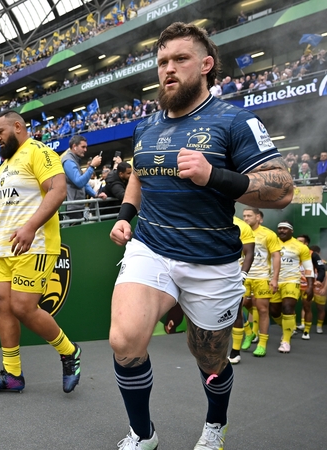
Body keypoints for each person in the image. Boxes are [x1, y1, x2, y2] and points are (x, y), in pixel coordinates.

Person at [108, 23, 293, 450]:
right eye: (162, 62)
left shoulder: (236, 121)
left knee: (209, 357)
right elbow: (139, 173)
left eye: (180, 59)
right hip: (151, 247)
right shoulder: (145, 126)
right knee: (124, 340)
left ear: (206, 65)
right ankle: (143, 434)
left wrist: (215, 176)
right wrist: (125, 215)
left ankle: (215, 424)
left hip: (211, 259)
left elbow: (283, 188)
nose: (168, 69)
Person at [0, 110, 82, 394]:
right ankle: (12, 375)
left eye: (0, 132)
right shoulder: (6, 164)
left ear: (18, 127)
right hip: (5, 248)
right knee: (2, 304)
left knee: (23, 307)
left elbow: (57, 190)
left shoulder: (39, 151)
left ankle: (69, 352)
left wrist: (31, 227)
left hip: (35, 245)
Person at [242, 207, 282, 357]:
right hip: (243, 275)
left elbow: (276, 256)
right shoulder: (240, 232)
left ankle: (262, 344)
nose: (246, 218)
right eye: (244, 216)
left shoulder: (268, 234)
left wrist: (275, 278)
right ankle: (249, 332)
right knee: (236, 306)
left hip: (262, 277)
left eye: (249, 216)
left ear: (258, 217)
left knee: (263, 310)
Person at [270, 222, 313, 353]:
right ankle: (288, 328)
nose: (282, 231)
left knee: (288, 308)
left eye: (285, 228)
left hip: (292, 280)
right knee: (274, 311)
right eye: (280, 228)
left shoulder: (300, 246)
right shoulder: (271, 242)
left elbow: (308, 267)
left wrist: (310, 285)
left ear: (291, 231)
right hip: (273, 281)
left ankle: (286, 341)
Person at [61, 135, 106, 222]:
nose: (85, 150)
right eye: (83, 147)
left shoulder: (74, 160)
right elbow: (79, 182)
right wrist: (92, 166)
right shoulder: (68, 161)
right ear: (74, 146)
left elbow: (84, 183)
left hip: (77, 206)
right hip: (71, 209)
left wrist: (95, 195)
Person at [228, 216, 254, 365]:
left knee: (236, 311)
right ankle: (248, 331)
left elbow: (249, 253)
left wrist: (242, 275)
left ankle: (235, 351)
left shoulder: (242, 226)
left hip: (233, 276)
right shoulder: (205, 218)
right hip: (209, 275)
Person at [296, 236, 327, 335]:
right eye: (296, 241)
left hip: (307, 286)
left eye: (300, 241)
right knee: (288, 307)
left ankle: (306, 331)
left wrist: (319, 280)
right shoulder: (292, 252)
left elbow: (321, 268)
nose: (297, 243)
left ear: (306, 244)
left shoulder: (313, 254)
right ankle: (290, 329)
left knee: (307, 307)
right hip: (293, 284)